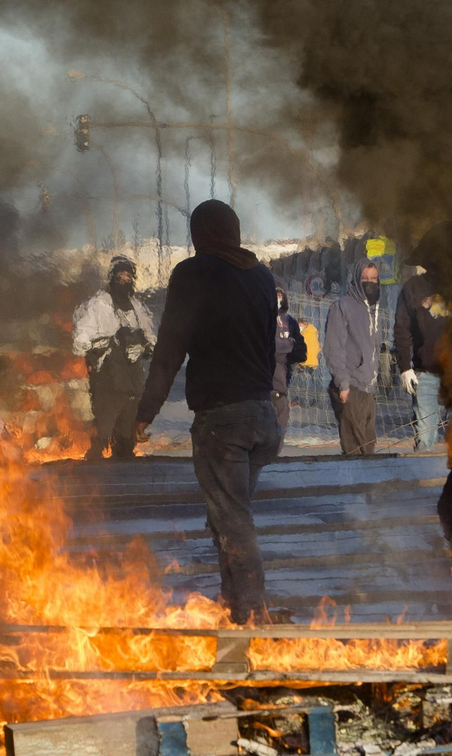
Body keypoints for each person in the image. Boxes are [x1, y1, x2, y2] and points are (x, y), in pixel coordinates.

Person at [136, 200, 280, 624]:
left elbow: (168, 352)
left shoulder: (193, 273)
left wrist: (145, 412)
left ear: (201, 234)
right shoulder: (262, 276)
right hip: (263, 416)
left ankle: (253, 611)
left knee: (233, 520)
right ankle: (233, 604)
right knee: (227, 516)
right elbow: (269, 350)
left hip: (224, 420)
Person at [71, 256, 156, 459]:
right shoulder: (97, 305)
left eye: (128, 276)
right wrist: (102, 344)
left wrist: (143, 348)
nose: (124, 280)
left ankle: (124, 471)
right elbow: (79, 341)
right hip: (107, 380)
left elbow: (152, 338)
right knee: (102, 433)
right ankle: (92, 478)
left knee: (127, 438)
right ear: (112, 278)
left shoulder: (137, 307)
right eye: (120, 276)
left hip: (133, 382)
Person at [324, 261, 382, 455]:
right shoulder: (342, 307)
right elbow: (334, 348)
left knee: (369, 447)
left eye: (373, 278)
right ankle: (353, 486)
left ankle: (369, 486)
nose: (369, 282)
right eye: (365, 278)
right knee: (354, 451)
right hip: (350, 388)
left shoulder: (374, 310)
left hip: (368, 387)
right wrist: (343, 384)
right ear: (357, 280)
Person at [394, 271, 449, 451]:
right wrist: (404, 368)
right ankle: (422, 477)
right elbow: (402, 329)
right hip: (426, 375)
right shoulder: (413, 287)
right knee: (424, 439)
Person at [271, 281, 308, 432]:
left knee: (280, 428)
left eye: (280, 295)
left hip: (283, 384)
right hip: (265, 384)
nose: (278, 299)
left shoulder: (290, 321)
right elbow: (267, 347)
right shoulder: (261, 318)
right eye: (275, 296)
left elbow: (302, 351)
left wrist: (286, 352)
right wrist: (288, 345)